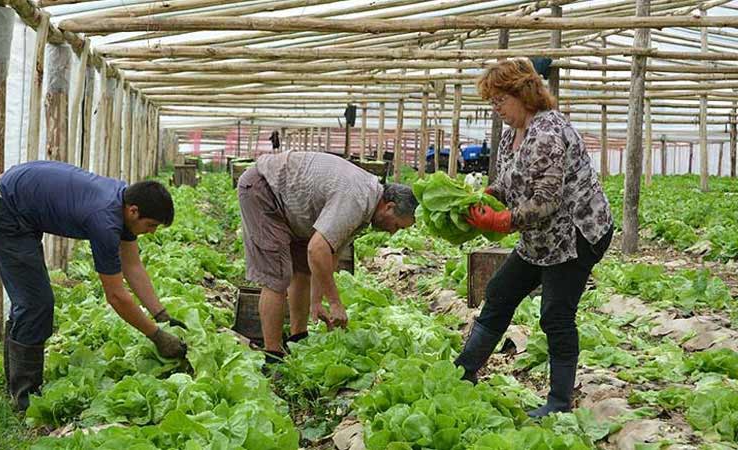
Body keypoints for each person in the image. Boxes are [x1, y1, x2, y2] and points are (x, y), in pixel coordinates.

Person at [455, 59, 614, 418]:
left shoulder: (547, 132)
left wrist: (503, 220)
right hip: (541, 237)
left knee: (555, 313)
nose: (497, 111)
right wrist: (489, 196)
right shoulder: (514, 133)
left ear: (523, 94)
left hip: (577, 233)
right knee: (499, 292)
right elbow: (509, 183)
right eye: (492, 104)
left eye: (500, 102)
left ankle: (558, 403)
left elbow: (546, 199)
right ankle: (464, 370)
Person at [0, 161, 188, 410]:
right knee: (36, 303)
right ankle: (24, 398)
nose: (151, 232)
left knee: (30, 299)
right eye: (150, 225)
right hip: (1, 209)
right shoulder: (104, 221)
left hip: (18, 205)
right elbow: (116, 296)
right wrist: (157, 336)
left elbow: (133, 267)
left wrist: (161, 314)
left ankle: (16, 386)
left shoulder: (122, 203)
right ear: (134, 211)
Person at [237, 151, 418, 363]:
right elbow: (317, 249)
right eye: (396, 225)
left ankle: (298, 339)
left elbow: (329, 253)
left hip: (293, 206)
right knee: (277, 277)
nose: (392, 232)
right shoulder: (357, 199)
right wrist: (335, 303)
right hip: (264, 191)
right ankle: (273, 356)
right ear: (389, 207)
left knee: (302, 270)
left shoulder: (367, 203)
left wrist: (317, 302)